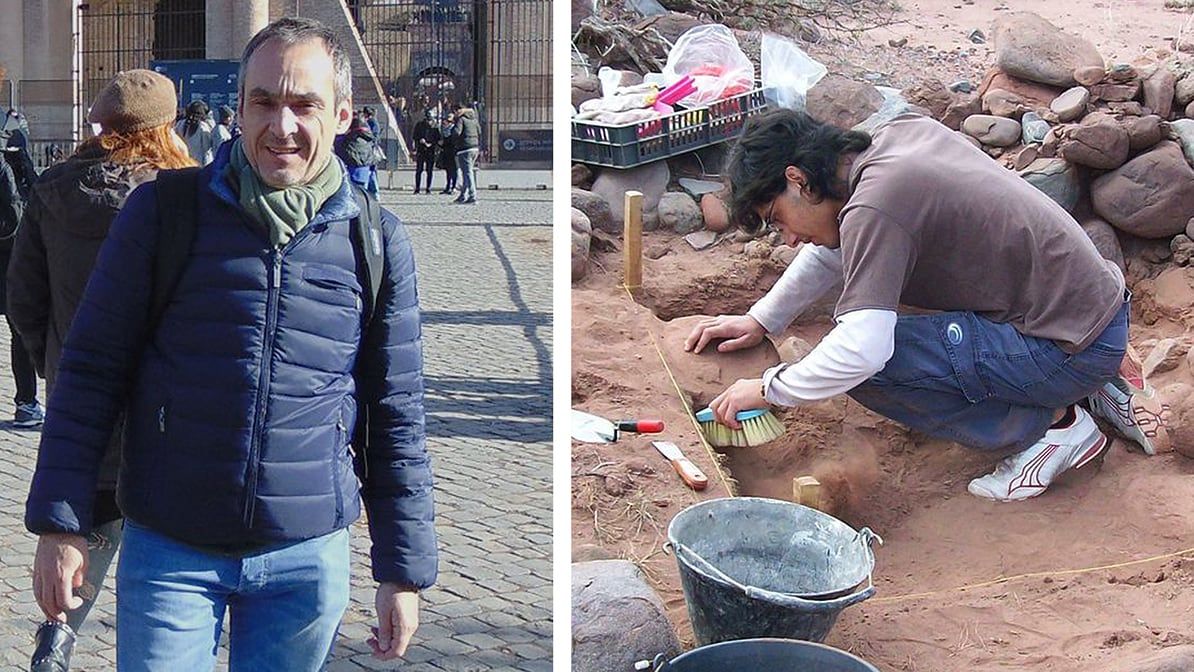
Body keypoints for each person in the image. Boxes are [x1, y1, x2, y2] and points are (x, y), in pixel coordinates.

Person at [25, 16, 436, 671]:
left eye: (305, 104)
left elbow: (395, 411)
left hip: (306, 558)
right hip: (172, 545)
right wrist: (61, 521)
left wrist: (402, 571)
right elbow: (91, 370)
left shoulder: (376, 240)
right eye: (264, 102)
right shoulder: (164, 211)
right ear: (238, 108)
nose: (282, 125)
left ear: (342, 114)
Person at [685, 109, 1154, 502]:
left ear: (798, 180)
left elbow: (862, 351)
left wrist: (770, 389)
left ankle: (1053, 428)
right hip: (1089, 317)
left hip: (1067, 345)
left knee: (868, 362)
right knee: (877, 306)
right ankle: (1087, 388)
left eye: (778, 219)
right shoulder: (888, 141)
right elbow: (837, 247)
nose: (787, 237)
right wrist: (761, 319)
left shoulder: (876, 204)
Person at [7, 68, 195, 672]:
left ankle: (58, 637)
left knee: (90, 522)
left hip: (82, 395)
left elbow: (24, 298)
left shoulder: (54, 190)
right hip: (174, 401)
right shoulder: (186, 194)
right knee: (174, 539)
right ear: (166, 126)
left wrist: (54, 361)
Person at [0, 125, 43, 430]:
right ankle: (25, 403)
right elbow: (15, 217)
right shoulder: (6, 168)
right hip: (9, 263)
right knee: (20, 334)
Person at [335, 114, 378, 194]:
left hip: (350, 173)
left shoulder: (346, 139)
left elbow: (338, 151)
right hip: (365, 171)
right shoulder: (369, 138)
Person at [451, 103, 480, 204]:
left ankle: (473, 196)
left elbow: (456, 132)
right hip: (475, 147)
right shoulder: (474, 119)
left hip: (464, 148)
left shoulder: (461, 119)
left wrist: (453, 127)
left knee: (467, 173)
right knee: (468, 172)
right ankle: (463, 195)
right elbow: (479, 131)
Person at [174, 99, 216, 165]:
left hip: (182, 161)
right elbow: (207, 150)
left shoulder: (180, 124)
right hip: (196, 164)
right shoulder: (202, 127)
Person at [411, 109, 439, 194]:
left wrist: (432, 143)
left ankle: (428, 188)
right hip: (421, 149)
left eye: (430, 119)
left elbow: (438, 138)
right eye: (428, 119)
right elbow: (415, 136)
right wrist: (420, 140)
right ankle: (417, 188)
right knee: (419, 170)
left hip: (431, 150)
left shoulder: (435, 126)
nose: (429, 121)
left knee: (429, 170)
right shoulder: (419, 125)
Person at [437, 111, 458, 195]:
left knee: (454, 170)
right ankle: (448, 186)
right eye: (447, 120)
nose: (447, 122)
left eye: (449, 121)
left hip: (453, 152)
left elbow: (454, 141)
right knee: (448, 171)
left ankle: (454, 186)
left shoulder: (454, 129)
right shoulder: (444, 130)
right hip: (446, 152)